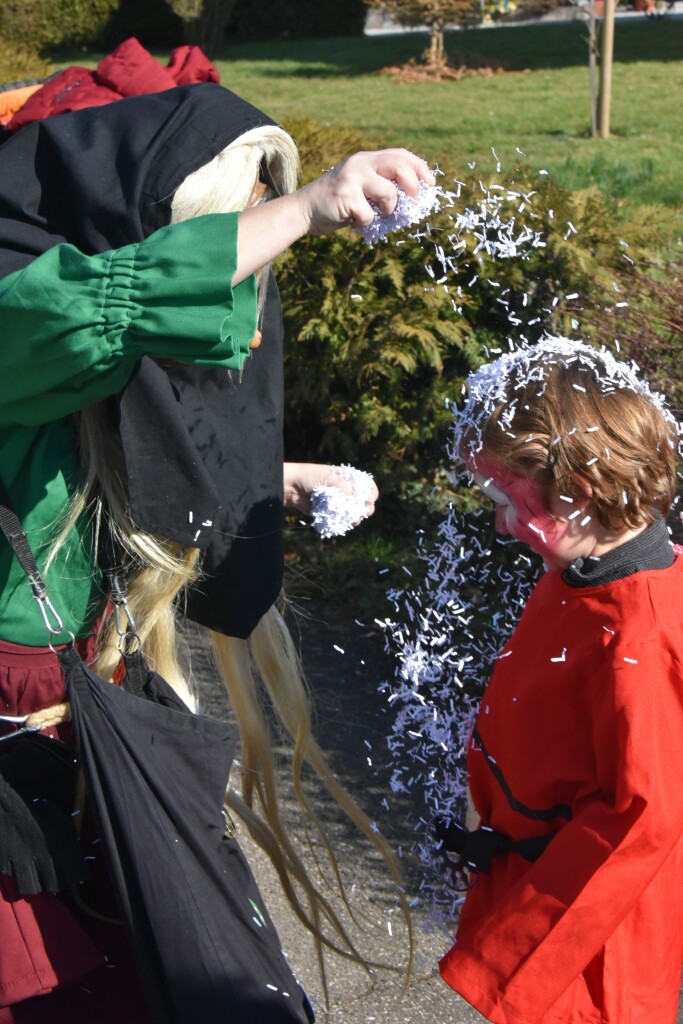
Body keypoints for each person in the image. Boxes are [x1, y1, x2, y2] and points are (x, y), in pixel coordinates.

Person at [0, 82, 433, 1021]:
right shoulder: (21, 311)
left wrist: (279, 475)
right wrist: (308, 204)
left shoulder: (76, 347)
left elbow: (121, 436)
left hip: (79, 725)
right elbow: (110, 305)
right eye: (228, 229)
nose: (241, 275)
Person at [438, 338, 683, 1024]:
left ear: (575, 494)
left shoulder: (641, 634)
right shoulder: (584, 576)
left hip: (586, 954)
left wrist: (509, 951)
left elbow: (643, 819)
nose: (498, 522)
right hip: (532, 880)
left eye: (505, 500)